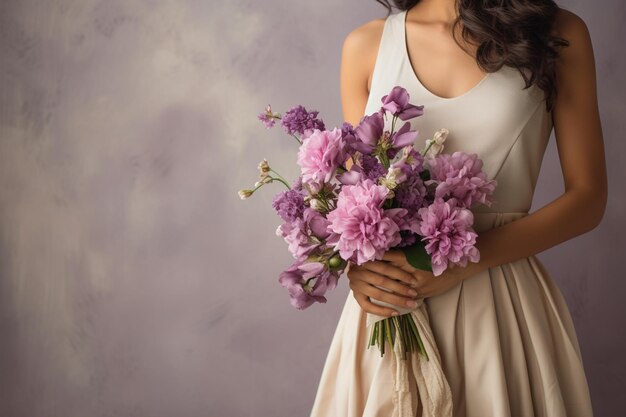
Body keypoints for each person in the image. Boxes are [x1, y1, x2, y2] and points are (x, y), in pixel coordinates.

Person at [309, 0, 607, 416]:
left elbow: (588, 200)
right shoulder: (367, 44)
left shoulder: (556, 34)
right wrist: (360, 268)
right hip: (394, 305)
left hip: (501, 305)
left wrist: (467, 261)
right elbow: (362, 193)